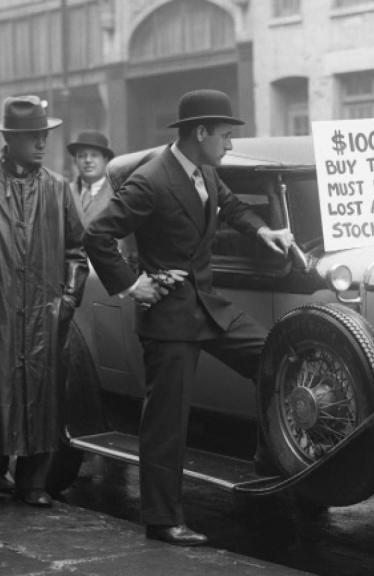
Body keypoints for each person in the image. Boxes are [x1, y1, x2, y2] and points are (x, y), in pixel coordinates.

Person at [83, 89, 293, 546]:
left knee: (276, 360)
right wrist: (130, 284)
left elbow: (231, 207)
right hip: (168, 317)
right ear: (201, 133)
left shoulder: (205, 171)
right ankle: (163, 520)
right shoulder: (152, 180)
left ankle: (269, 461)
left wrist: (265, 230)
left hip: (208, 306)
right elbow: (97, 233)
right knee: (166, 422)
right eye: (225, 135)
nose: (230, 145)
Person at [0, 96, 88, 509]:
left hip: (46, 311)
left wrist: (68, 299)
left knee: (45, 397)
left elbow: (77, 250)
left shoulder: (58, 187)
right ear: (12, 139)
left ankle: (34, 481)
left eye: (44, 136)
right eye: (33, 137)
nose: (42, 143)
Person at [68, 130, 115, 225]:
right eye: (82, 156)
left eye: (94, 155)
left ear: (105, 160)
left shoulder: (117, 193)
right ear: (75, 161)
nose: (88, 160)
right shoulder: (65, 192)